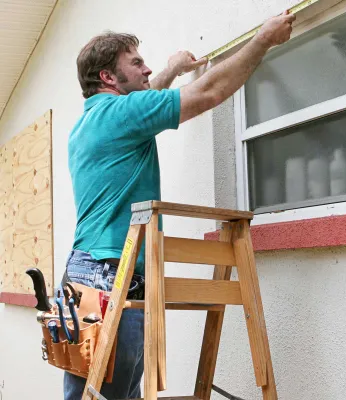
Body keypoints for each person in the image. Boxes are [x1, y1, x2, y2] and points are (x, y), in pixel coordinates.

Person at [62, 10, 295, 400]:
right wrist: (263, 40)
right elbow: (208, 93)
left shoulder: (90, 121)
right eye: (136, 63)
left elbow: (146, 100)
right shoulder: (121, 114)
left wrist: (170, 69)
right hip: (110, 275)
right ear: (107, 77)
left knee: (98, 394)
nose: (147, 68)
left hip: (88, 273)